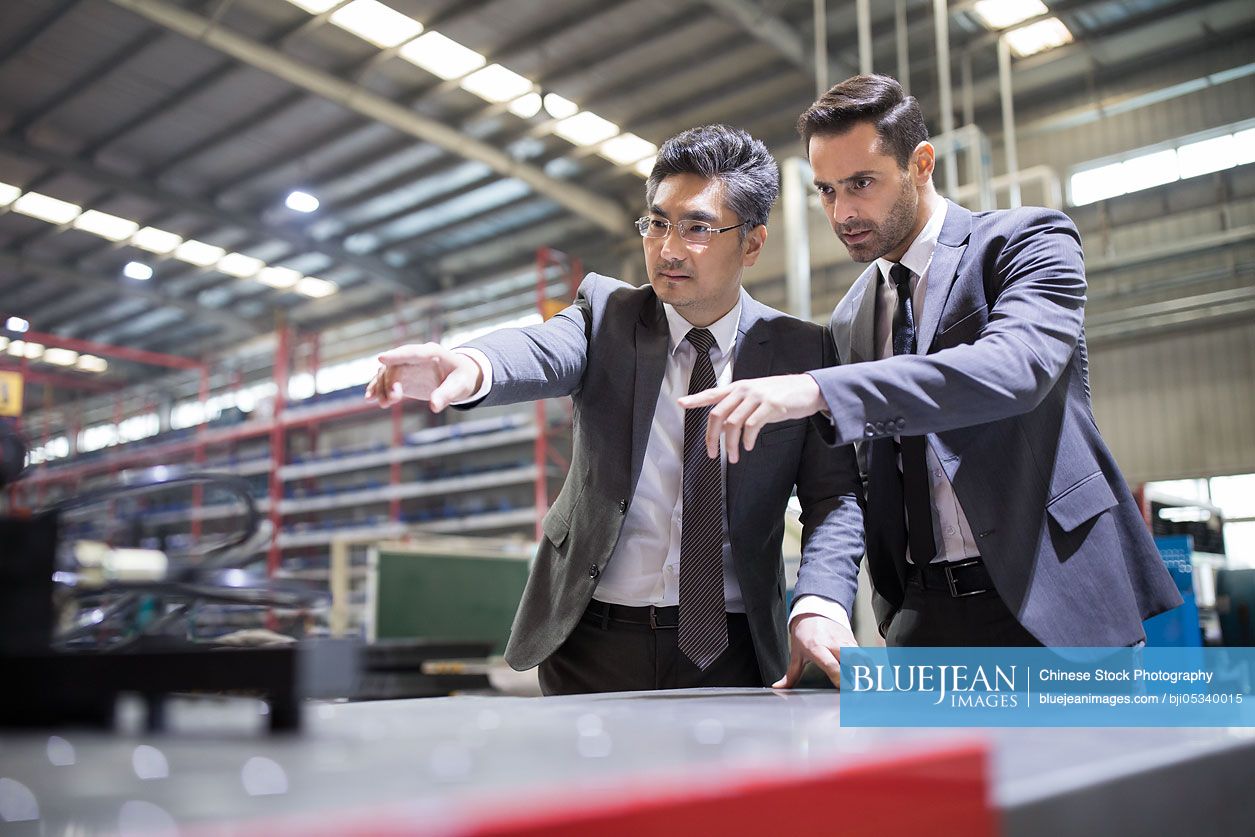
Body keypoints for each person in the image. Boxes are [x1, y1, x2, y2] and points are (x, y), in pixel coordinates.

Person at [681, 75, 1181, 649]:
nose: (842, 211)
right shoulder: (849, 320)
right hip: (923, 615)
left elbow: (1013, 369)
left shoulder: (1025, 242)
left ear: (921, 164)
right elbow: (852, 483)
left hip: (1056, 591)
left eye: (861, 183)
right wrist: (829, 601)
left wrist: (819, 389)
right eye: (827, 191)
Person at [366, 125, 865, 694]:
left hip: (735, 647)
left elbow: (834, 497)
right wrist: (473, 364)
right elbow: (542, 349)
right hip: (593, 642)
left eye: (698, 227)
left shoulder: (803, 349)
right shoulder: (607, 314)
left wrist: (820, 600)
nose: (669, 248)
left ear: (751, 243)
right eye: (657, 223)